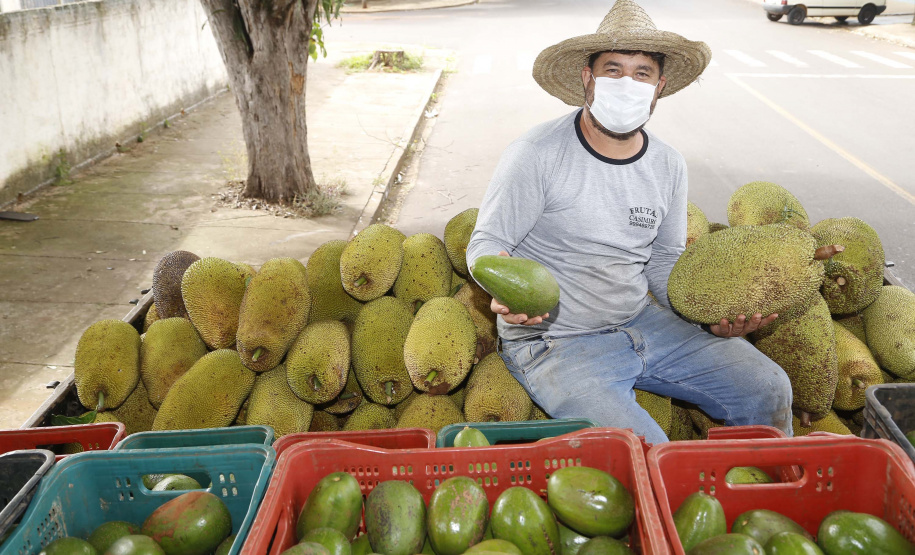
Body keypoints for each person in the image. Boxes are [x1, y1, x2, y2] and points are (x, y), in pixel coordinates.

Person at [465, 0, 793, 444]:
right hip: (556, 342)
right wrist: (502, 289)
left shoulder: (667, 164)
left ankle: (760, 496)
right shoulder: (537, 153)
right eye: (613, 70)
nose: (627, 83)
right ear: (588, 78)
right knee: (645, 452)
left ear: (659, 86)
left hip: (643, 322)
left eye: (641, 73)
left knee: (769, 388)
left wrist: (708, 314)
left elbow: (663, 261)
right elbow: (487, 242)